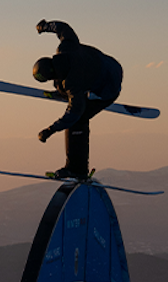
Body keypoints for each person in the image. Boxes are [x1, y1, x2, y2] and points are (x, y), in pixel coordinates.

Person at [31, 20, 124, 180]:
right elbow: (62, 28)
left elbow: (73, 114)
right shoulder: (66, 47)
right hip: (111, 64)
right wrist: (45, 26)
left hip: (109, 88)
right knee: (70, 88)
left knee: (79, 120)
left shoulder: (73, 84)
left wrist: (50, 130)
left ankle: (77, 169)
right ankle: (63, 93)